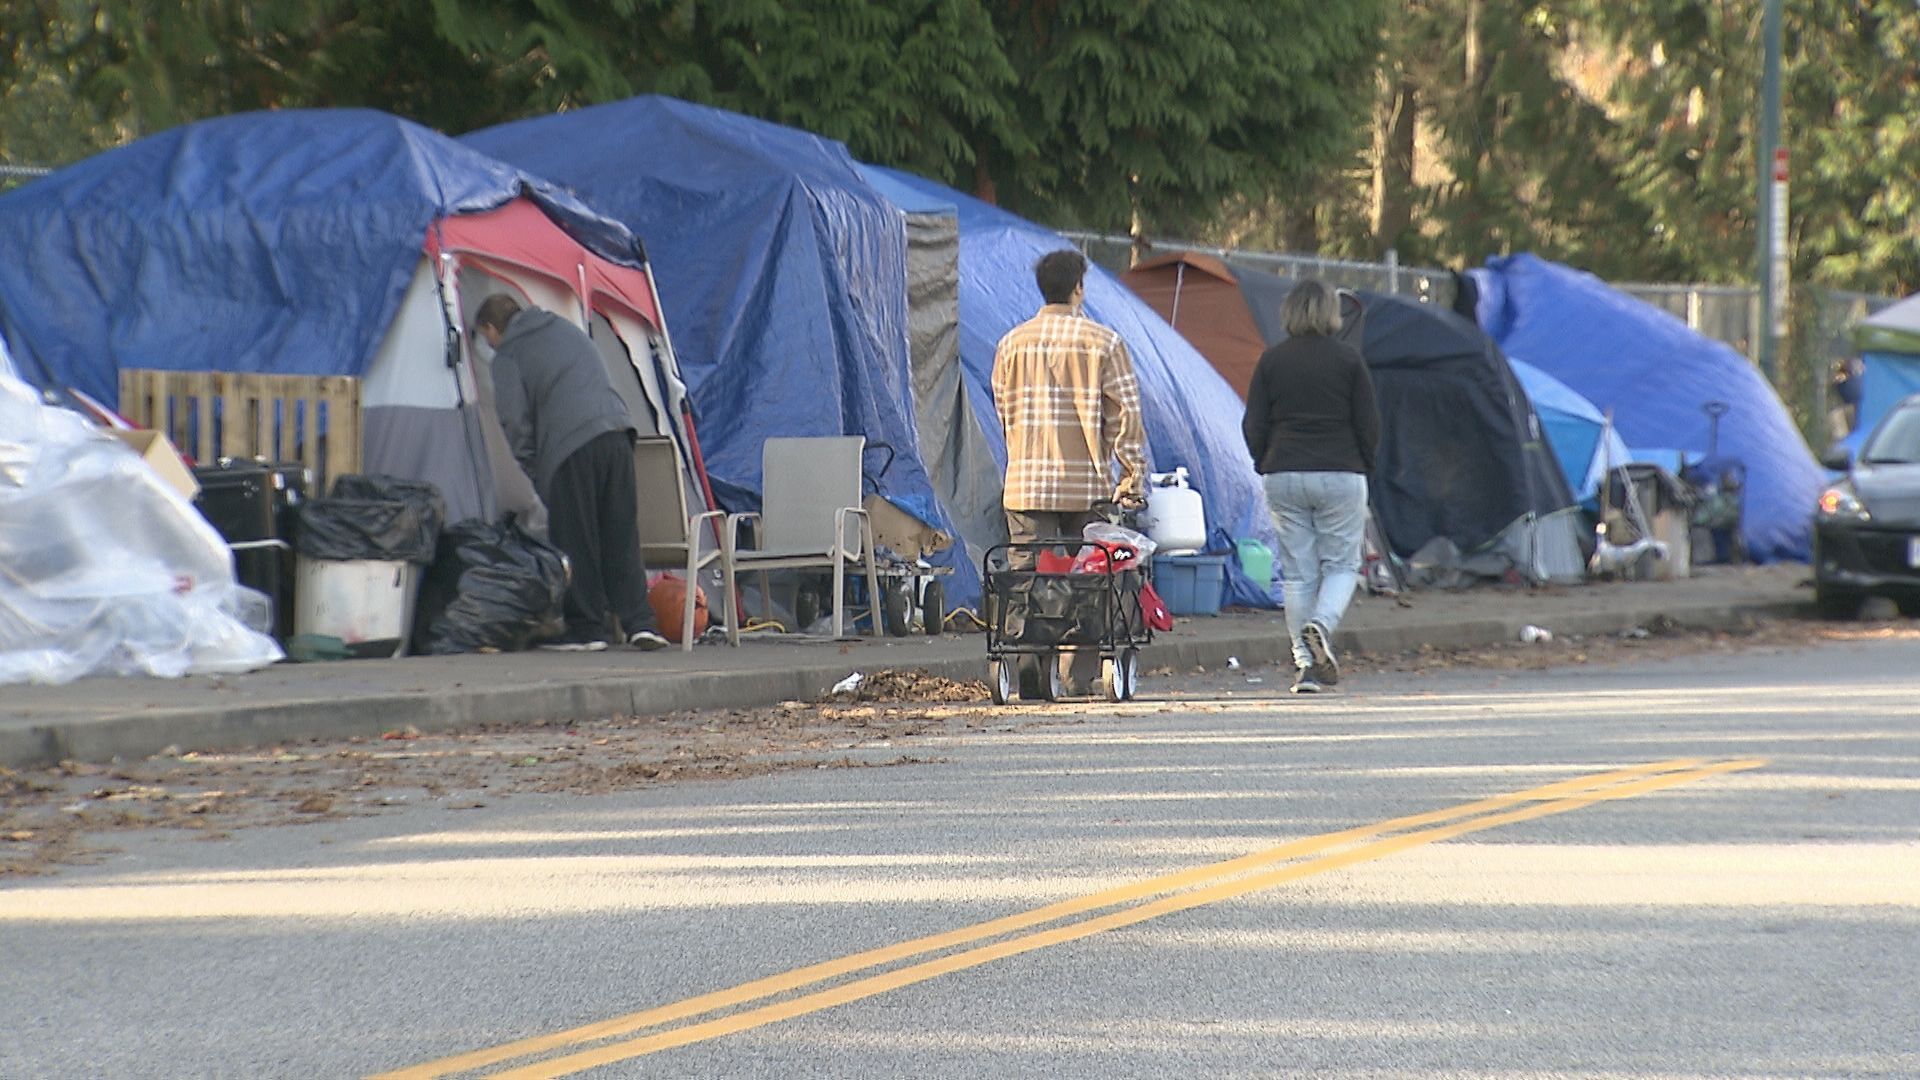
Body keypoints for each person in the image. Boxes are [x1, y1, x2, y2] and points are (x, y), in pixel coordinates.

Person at [473, 295, 669, 653]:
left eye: (485, 338)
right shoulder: (565, 328)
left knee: (575, 537)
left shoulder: (509, 354)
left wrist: (538, 472)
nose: (487, 346)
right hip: (617, 433)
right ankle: (640, 624)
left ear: (490, 328)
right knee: (620, 532)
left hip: (570, 446)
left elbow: (515, 421)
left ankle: (587, 629)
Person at [991, 249, 1148, 690]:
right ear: (1079, 288)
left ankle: (1026, 659)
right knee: (1094, 576)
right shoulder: (1105, 343)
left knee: (1027, 572)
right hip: (1088, 484)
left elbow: (1004, 408)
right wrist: (1131, 475)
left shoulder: (1011, 343)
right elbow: (1126, 415)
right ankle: (1081, 669)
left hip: (1026, 482)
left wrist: (1022, 452)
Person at [1242, 280, 1380, 694]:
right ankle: (1321, 625)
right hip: (1340, 471)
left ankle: (1305, 666)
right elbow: (1369, 424)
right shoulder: (1349, 361)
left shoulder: (1271, 361)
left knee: (1297, 575)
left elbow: (1254, 424)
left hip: (1283, 472)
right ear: (1329, 313)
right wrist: (1363, 464)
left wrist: (1264, 460)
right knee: (1341, 566)